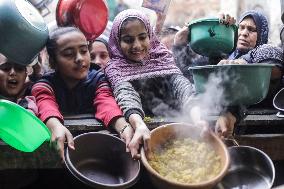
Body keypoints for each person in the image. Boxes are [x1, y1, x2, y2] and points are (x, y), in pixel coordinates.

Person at [104, 9, 233, 139]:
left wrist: (198, 119)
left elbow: (182, 88)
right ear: (117, 41)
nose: (137, 45)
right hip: (141, 136)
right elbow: (126, 96)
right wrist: (139, 124)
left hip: (180, 133)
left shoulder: (162, 58)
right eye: (128, 40)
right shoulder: (114, 69)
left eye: (142, 37)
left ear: (150, 36)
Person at [31, 27, 144, 160]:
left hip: (94, 151)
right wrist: (55, 126)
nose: (79, 58)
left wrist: (123, 127)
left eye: (84, 51)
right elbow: (45, 103)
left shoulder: (98, 80)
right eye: (68, 54)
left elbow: (106, 103)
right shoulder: (45, 84)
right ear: (53, 62)